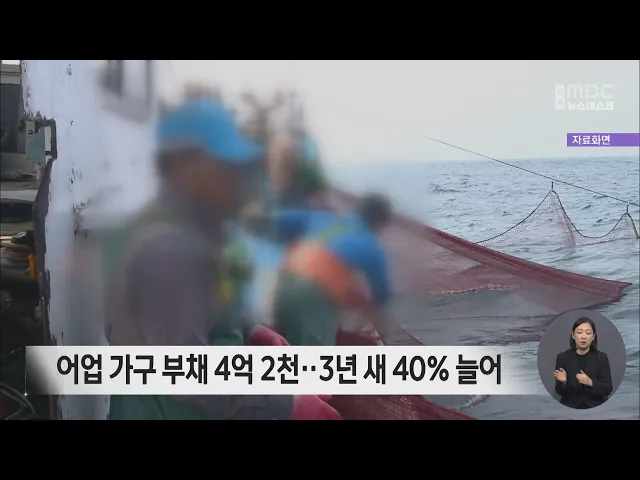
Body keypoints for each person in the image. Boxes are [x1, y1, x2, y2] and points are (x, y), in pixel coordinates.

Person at [105, 98, 341, 420]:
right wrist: (289, 405)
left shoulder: (194, 227)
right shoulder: (167, 253)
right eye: (225, 164)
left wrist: (250, 329)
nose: (237, 177)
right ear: (182, 166)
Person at [243, 193, 393, 346]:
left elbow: (273, 220)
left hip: (283, 286)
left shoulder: (322, 217)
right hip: (315, 295)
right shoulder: (371, 245)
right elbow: (381, 295)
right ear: (379, 222)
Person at [553, 317, 613, 409]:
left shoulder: (602, 358)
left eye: (588, 333)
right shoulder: (562, 357)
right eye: (579, 332)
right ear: (573, 335)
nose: (583, 336)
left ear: (593, 337)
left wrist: (591, 382)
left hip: (596, 405)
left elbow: (608, 388)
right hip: (570, 406)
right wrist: (564, 382)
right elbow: (559, 391)